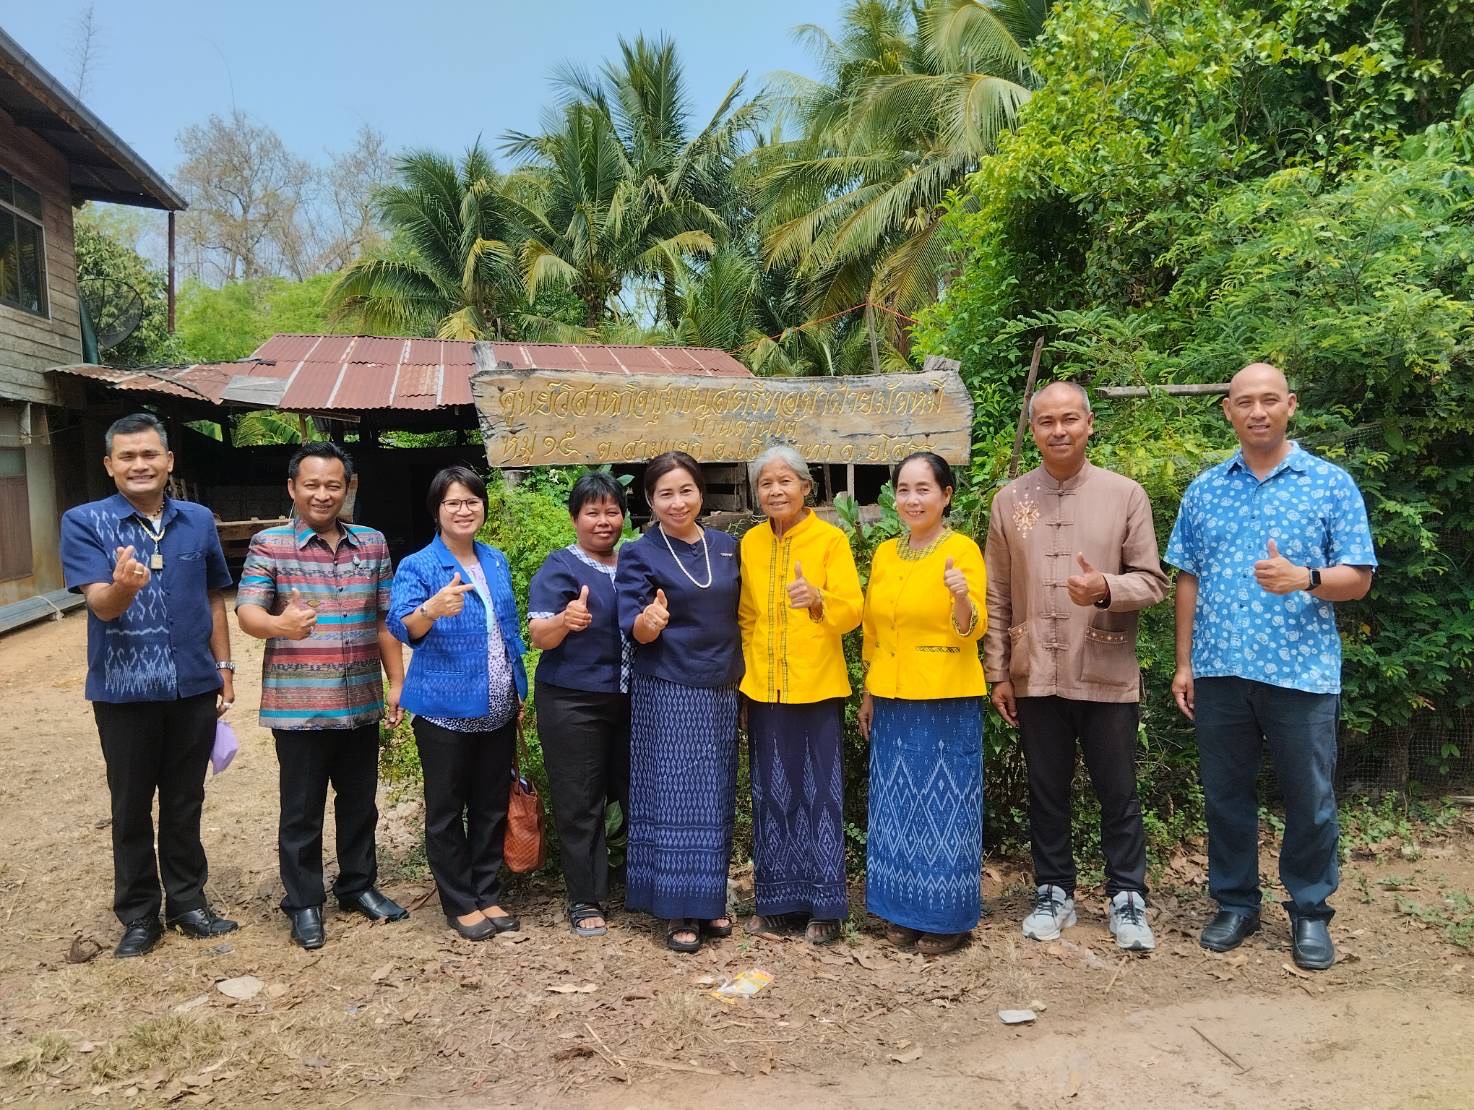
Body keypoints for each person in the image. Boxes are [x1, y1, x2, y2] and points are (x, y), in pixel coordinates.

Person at [1166, 362, 1375, 971]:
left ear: (1290, 405)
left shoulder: (1330, 484)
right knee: (1225, 795)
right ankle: (1235, 903)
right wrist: (1184, 664)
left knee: (1309, 798)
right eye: (1244, 402)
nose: (1257, 412)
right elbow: (1188, 578)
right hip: (1220, 669)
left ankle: (1309, 911)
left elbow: (1358, 579)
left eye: (1268, 400)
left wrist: (1305, 578)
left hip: (1301, 673)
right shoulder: (1204, 489)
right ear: (1227, 411)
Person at [984, 382, 1169, 952]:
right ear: (1034, 430)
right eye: (1045, 421)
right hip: (1034, 670)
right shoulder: (1010, 500)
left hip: (1105, 669)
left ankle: (1127, 897)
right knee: (1047, 788)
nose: (1058, 430)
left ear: (1090, 424)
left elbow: (1153, 582)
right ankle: (1054, 890)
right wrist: (998, 673)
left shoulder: (1124, 495)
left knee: (1118, 788)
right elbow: (996, 594)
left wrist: (1106, 587)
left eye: (1069, 419)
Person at [60, 412, 239, 958]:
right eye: (128, 457)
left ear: (168, 461)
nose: (140, 465)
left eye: (150, 455)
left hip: (192, 687)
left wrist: (224, 669)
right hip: (124, 692)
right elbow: (99, 606)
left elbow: (214, 597)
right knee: (131, 806)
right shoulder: (85, 521)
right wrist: (122, 587)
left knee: (185, 801)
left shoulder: (198, 521)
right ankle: (139, 914)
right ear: (110, 465)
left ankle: (188, 903)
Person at [236, 442, 407, 949]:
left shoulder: (372, 543)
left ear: (347, 488)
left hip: (360, 701)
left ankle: (358, 886)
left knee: (360, 804)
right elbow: (246, 613)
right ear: (292, 488)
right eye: (311, 484)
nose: (322, 494)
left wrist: (396, 681)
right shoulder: (270, 544)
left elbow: (383, 620)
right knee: (302, 811)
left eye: (333, 484)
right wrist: (279, 624)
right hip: (299, 706)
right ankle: (304, 903)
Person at [388, 465, 528, 941]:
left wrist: (517, 690)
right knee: (446, 810)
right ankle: (458, 900)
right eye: (453, 503)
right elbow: (401, 627)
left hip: (498, 704)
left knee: (490, 805)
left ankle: (486, 892)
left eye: (471, 501)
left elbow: (508, 633)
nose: (464, 510)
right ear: (437, 511)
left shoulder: (495, 559)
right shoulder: (419, 566)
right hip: (444, 711)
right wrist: (430, 609)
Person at [614, 451, 743, 953]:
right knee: (673, 796)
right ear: (649, 500)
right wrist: (650, 622)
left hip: (721, 687)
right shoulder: (640, 553)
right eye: (665, 493)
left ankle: (708, 901)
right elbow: (635, 627)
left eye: (685, 490)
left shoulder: (727, 547)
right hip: (668, 687)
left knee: (714, 796)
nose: (677, 501)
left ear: (700, 492)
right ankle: (674, 909)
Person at [860, 451, 987, 956]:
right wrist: (869, 692)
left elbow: (973, 627)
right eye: (904, 489)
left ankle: (945, 917)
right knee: (897, 804)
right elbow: (872, 629)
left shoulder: (962, 550)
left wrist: (960, 595)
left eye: (923, 489)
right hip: (891, 694)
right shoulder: (886, 553)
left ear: (946, 495)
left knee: (944, 807)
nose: (912, 499)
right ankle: (900, 910)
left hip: (944, 696)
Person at [737, 446, 863, 944]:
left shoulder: (830, 540)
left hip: (817, 688)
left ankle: (826, 908)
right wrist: (746, 688)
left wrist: (818, 601)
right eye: (766, 483)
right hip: (764, 689)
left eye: (785, 481)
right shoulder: (750, 542)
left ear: (806, 487)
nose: (775, 491)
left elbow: (853, 609)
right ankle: (775, 903)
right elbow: (747, 617)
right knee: (770, 794)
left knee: (820, 795)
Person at [527, 472, 632, 938]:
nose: (603, 521)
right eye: (592, 512)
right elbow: (539, 635)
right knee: (580, 801)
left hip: (631, 700)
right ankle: (585, 899)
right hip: (573, 702)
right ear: (575, 518)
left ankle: (640, 884)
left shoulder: (633, 563)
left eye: (612, 511)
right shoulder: (560, 568)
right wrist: (566, 621)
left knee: (637, 794)